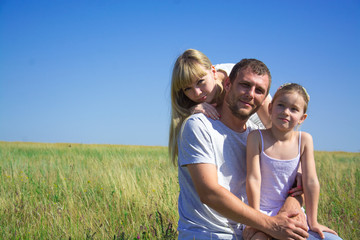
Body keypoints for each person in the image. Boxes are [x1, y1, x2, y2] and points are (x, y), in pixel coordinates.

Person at [174, 57, 309, 239]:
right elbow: (209, 193)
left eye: (259, 90)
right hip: (211, 233)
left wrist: (293, 203)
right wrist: (272, 225)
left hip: (256, 229)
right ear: (228, 83)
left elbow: (289, 179)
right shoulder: (198, 125)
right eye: (245, 85)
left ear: (264, 100)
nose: (250, 94)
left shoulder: (257, 137)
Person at [246, 83, 341, 240]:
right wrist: (255, 219)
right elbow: (253, 178)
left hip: (292, 214)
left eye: (294, 109)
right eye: (281, 105)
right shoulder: (257, 137)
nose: (285, 112)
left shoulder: (304, 140)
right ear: (270, 108)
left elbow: (310, 181)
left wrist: (314, 221)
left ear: (302, 118)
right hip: (261, 212)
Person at [169, 49, 271, 166]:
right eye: (187, 89)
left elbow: (272, 122)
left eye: (201, 82)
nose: (197, 93)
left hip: (260, 128)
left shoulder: (239, 75)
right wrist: (190, 110)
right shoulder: (195, 118)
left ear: (213, 71)